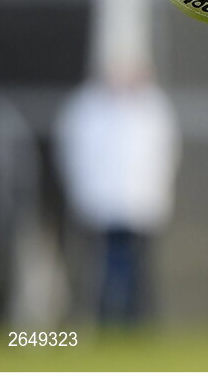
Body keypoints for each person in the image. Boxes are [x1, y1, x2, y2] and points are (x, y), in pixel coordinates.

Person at [54, 65, 180, 325]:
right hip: (102, 203)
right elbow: (77, 156)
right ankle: (103, 317)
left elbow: (163, 157)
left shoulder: (153, 107)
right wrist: (86, 196)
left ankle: (137, 319)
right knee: (102, 265)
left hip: (142, 203)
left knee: (139, 267)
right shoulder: (87, 108)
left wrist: (157, 195)